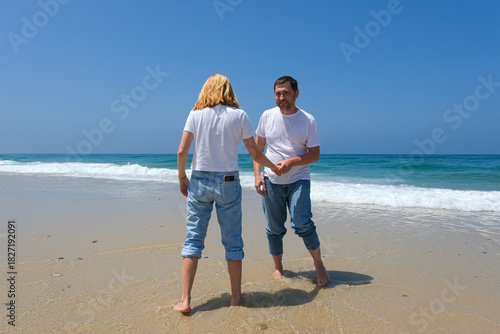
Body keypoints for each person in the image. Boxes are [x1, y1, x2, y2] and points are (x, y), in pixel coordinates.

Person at [175, 74, 280, 313]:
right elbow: (254, 151)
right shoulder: (239, 115)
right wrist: (273, 167)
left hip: (199, 179)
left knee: (193, 239)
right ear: (228, 91)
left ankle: (185, 301)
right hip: (228, 181)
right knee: (232, 241)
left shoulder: (195, 114)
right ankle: (235, 298)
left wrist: (182, 177)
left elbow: (182, 151)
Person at [253, 76, 330, 287]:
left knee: (302, 222)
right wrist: (258, 175)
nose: (281, 97)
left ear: (296, 93)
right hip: (271, 181)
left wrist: (292, 162)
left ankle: (318, 264)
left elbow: (314, 155)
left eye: (286, 93)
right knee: (274, 228)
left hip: (299, 179)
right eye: (278, 93)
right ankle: (278, 267)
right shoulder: (267, 116)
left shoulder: (308, 120)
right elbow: (258, 150)